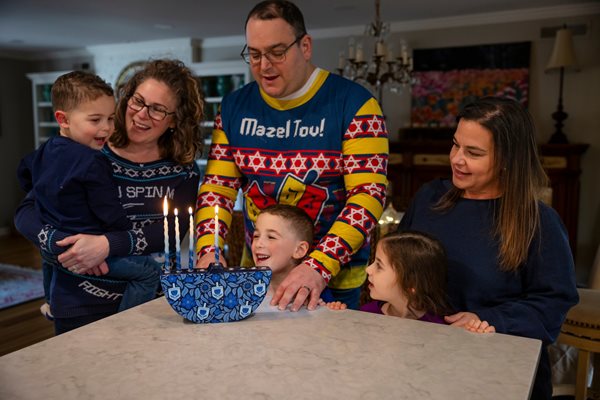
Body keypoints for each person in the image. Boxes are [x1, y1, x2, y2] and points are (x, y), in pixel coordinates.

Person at [195, 0, 389, 312]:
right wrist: (208, 247)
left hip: (332, 278)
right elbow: (217, 188)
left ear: (306, 46)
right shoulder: (233, 108)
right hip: (258, 270)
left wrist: (318, 266)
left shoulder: (355, 104)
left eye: (277, 52)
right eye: (254, 54)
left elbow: (368, 196)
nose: (264, 66)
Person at [398, 96, 579, 399]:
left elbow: (552, 303)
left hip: (497, 368)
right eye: (455, 145)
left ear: (508, 159)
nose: (457, 159)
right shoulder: (429, 197)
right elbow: (400, 267)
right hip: (423, 359)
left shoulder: (539, 222)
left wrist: (487, 320)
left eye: (474, 152)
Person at [14, 59, 203, 333]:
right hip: (78, 301)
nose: (141, 114)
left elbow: (173, 232)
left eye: (158, 110)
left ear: (175, 120)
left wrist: (106, 245)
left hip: (151, 303)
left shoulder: (182, 169)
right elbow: (26, 213)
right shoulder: (86, 148)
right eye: (138, 101)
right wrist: (56, 242)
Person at [324, 231, 495, 331]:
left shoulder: (439, 329)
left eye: (379, 265)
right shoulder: (367, 313)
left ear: (411, 285)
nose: (368, 269)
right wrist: (338, 317)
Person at [251, 204, 334, 301]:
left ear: (299, 250)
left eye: (271, 237)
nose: (258, 244)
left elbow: (334, 314)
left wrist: (334, 308)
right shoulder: (244, 287)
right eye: (256, 236)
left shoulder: (313, 290)